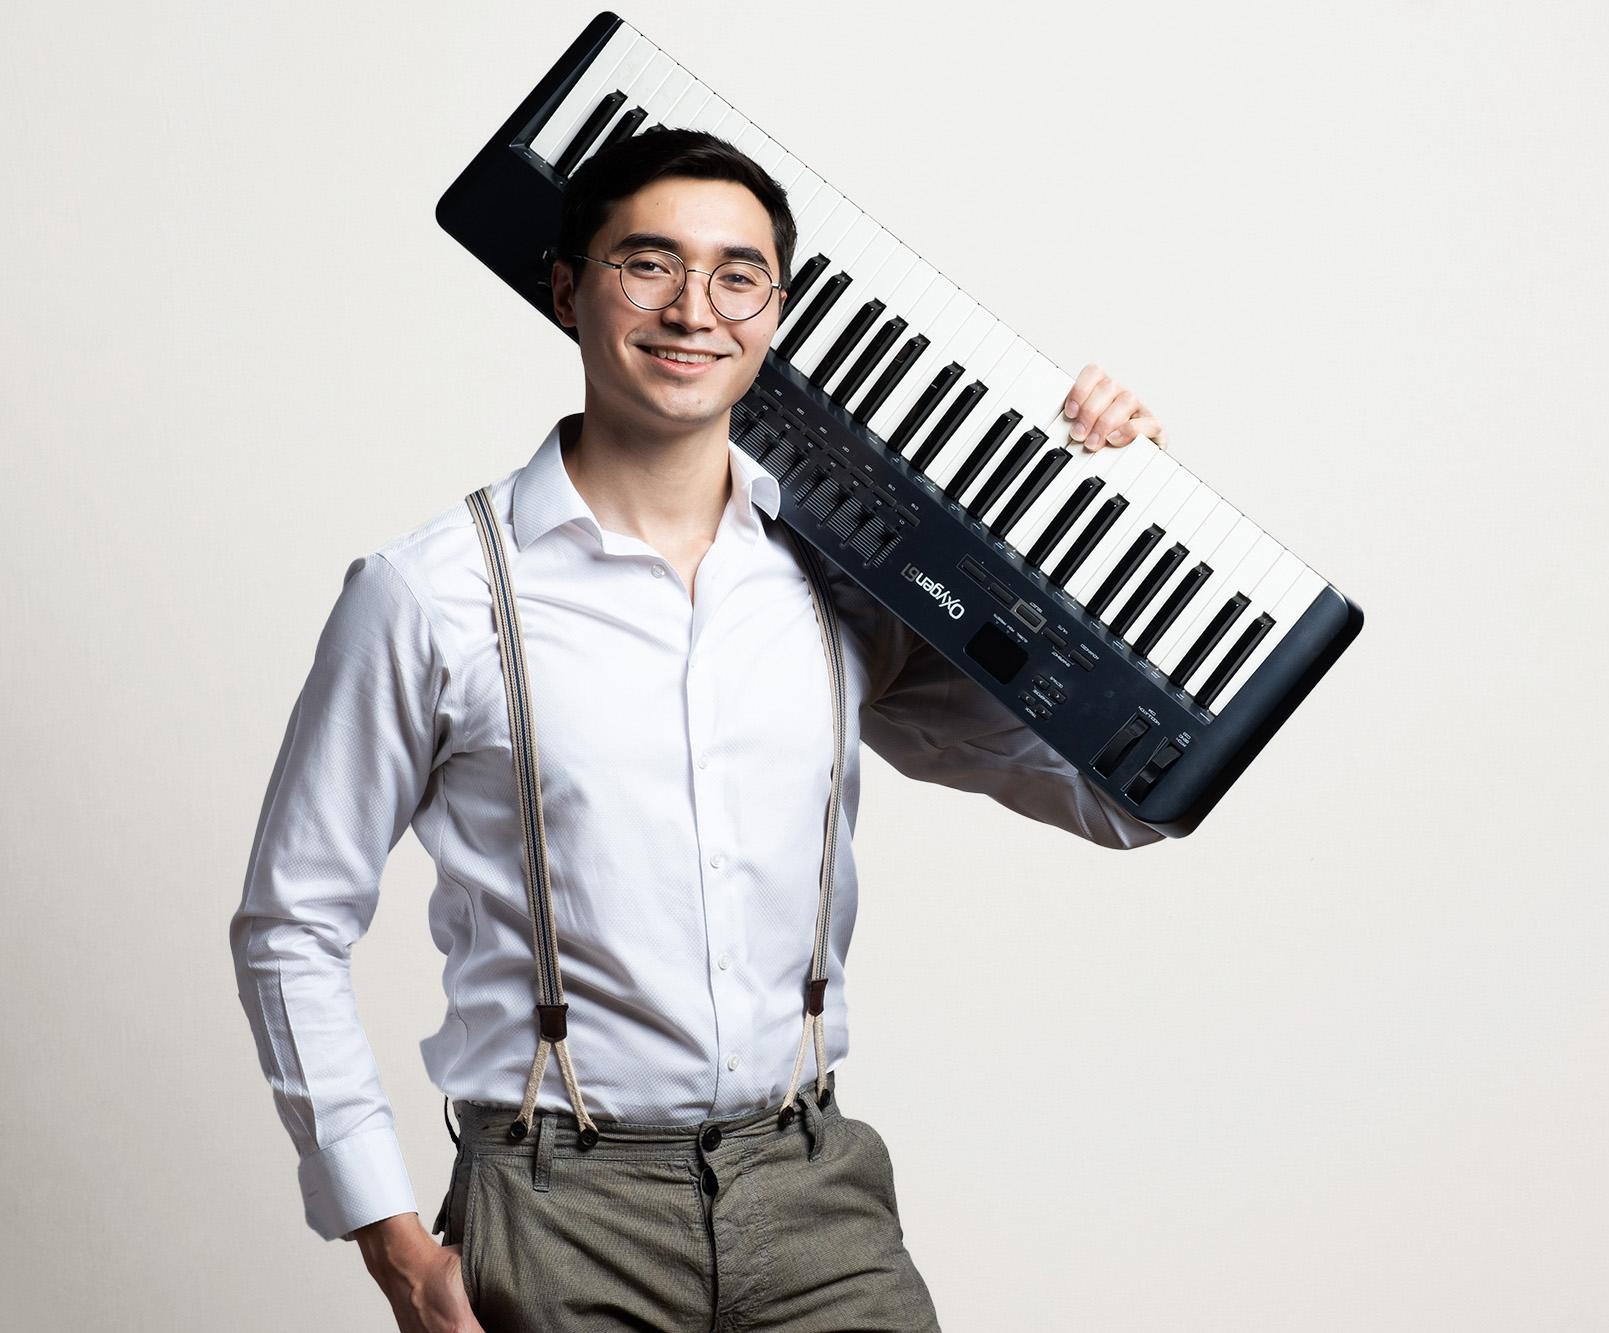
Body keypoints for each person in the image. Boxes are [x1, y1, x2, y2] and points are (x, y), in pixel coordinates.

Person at [229, 126, 1173, 1332]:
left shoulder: (842, 585)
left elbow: (1121, 801)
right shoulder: (429, 596)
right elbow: (290, 921)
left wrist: (1127, 497)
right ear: (568, 287)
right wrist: (398, 1248)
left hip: (813, 1189)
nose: (693, 310)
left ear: (774, 314)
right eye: (647, 264)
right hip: (559, 1205)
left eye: (738, 276)